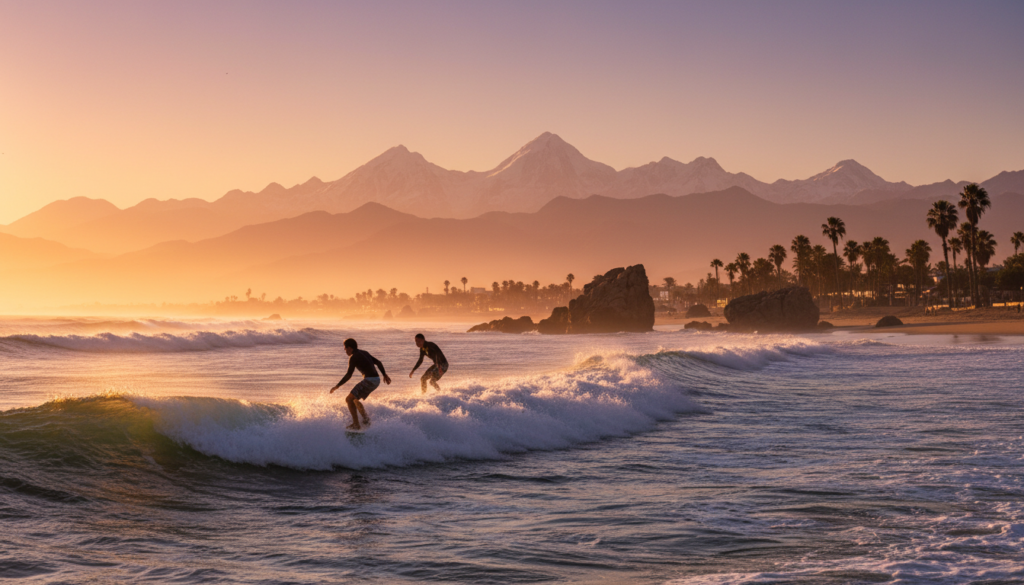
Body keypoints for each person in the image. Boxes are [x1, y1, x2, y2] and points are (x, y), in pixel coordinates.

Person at [330, 338, 391, 431]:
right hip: (376, 380)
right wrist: (384, 375)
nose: (345, 350)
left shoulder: (353, 357)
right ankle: (366, 420)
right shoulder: (365, 352)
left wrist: (337, 386)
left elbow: (349, 374)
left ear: (349, 348)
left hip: (369, 380)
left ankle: (356, 424)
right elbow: (378, 362)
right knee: (355, 399)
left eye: (345, 348)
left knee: (349, 399)